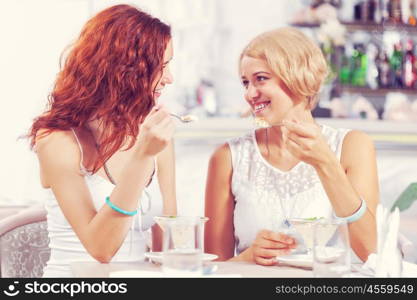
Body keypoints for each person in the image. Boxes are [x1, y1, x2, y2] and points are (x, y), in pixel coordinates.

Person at [204, 27, 379, 265]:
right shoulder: (228, 157)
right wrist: (247, 258)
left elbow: (371, 252)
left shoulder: (352, 146)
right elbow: (213, 272)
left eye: (261, 79)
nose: (249, 93)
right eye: (245, 82)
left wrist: (325, 163)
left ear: (298, 76)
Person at [28, 4, 177, 277]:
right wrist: (142, 157)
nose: (170, 78)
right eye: (161, 66)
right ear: (125, 70)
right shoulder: (58, 140)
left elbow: (168, 243)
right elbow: (101, 248)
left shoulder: (153, 137)